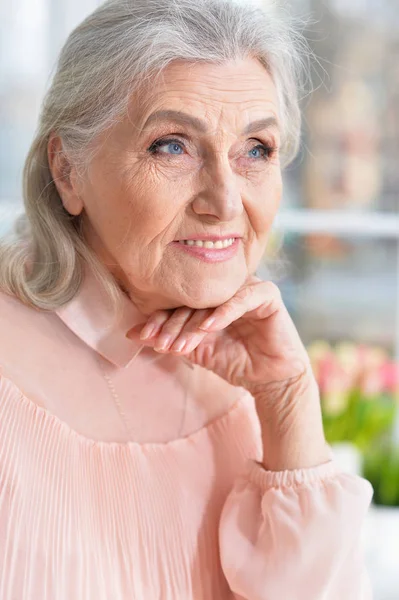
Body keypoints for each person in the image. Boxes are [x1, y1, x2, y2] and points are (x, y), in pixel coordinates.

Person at [0, 0, 373, 598]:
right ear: (67, 171)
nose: (224, 202)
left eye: (256, 149)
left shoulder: (253, 373)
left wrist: (285, 400)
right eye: (172, 146)